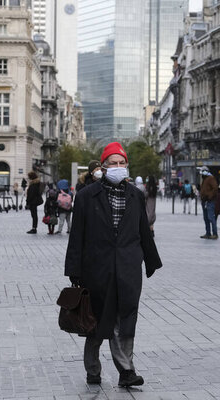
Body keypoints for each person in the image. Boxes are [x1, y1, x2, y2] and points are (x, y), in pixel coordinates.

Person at [65, 141, 162, 388]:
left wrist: (150, 261)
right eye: (113, 163)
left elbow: (143, 230)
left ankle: (126, 371)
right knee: (96, 320)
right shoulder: (87, 196)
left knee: (126, 319)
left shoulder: (135, 195)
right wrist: (74, 270)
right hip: (97, 268)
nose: (118, 167)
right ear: (104, 167)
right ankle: (93, 369)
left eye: (122, 163)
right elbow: (77, 235)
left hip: (128, 268)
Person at [199, 167, 219, 239]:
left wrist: (209, 196)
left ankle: (215, 233)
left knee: (211, 217)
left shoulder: (210, 178)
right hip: (205, 200)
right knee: (206, 218)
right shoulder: (205, 179)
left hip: (209, 201)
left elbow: (215, 188)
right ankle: (208, 233)